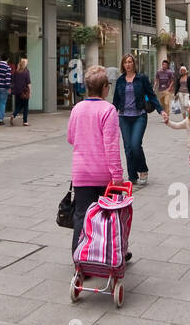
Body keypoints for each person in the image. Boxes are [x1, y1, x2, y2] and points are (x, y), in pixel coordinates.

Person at [67, 65, 124, 254]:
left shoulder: (77, 108)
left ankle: (78, 256)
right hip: (103, 174)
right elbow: (111, 146)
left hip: (81, 173)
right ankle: (108, 253)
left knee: (81, 215)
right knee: (108, 216)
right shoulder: (108, 110)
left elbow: (71, 138)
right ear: (105, 88)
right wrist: (117, 175)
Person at [113, 54, 162, 186]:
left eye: (130, 62)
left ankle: (143, 169)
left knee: (135, 145)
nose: (128, 65)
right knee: (128, 147)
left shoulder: (142, 79)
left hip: (139, 115)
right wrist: (110, 116)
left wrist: (161, 110)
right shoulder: (120, 81)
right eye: (125, 63)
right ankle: (132, 176)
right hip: (124, 117)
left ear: (134, 64)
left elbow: (152, 96)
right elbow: (115, 101)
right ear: (123, 65)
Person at [10, 57, 32, 126]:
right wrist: (30, 92)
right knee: (25, 106)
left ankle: (14, 115)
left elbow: (13, 81)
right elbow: (28, 83)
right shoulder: (26, 72)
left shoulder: (16, 72)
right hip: (24, 92)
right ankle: (25, 121)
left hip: (17, 92)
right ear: (25, 64)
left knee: (18, 106)